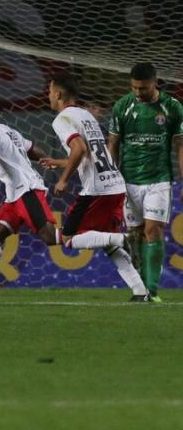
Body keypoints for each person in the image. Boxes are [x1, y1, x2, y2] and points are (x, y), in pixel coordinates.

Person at [0, 91, 132, 300]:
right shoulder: (8, 130)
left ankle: (123, 239)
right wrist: (48, 168)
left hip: (26, 191)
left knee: (53, 237)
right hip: (15, 194)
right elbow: (34, 149)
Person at [39, 74, 148, 301]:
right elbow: (90, 152)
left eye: (50, 91)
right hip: (114, 185)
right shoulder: (85, 115)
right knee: (106, 243)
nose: (48, 95)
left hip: (97, 190)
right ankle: (140, 291)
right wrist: (59, 163)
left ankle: (125, 239)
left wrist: (63, 179)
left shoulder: (61, 119)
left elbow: (78, 149)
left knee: (68, 238)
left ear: (58, 94)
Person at [107, 63, 183, 302]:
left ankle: (152, 290)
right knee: (134, 234)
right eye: (135, 88)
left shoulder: (172, 108)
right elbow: (113, 145)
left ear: (155, 82)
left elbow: (181, 146)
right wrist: (111, 178)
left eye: (144, 88)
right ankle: (140, 290)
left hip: (158, 180)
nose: (139, 93)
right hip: (128, 181)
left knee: (153, 230)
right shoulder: (123, 106)